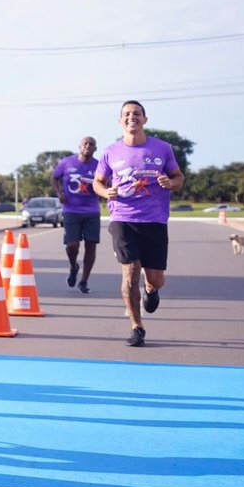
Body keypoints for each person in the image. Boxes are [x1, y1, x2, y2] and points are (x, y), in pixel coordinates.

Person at [92, 101, 183, 347]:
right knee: (130, 272)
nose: (132, 117)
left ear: (145, 119)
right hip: (123, 218)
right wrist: (105, 192)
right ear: (120, 120)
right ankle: (137, 327)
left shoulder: (162, 148)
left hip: (154, 220)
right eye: (127, 114)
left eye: (136, 114)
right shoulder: (110, 151)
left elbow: (178, 177)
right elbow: (97, 182)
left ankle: (151, 291)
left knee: (155, 278)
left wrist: (170, 182)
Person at [52, 136, 100, 294]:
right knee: (72, 245)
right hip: (71, 210)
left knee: (91, 245)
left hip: (92, 210)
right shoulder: (67, 162)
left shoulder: (98, 165)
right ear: (80, 147)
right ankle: (73, 266)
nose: (88, 146)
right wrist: (59, 193)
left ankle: (84, 281)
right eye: (85, 144)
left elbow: (106, 182)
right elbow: (54, 177)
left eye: (91, 144)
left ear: (95, 148)